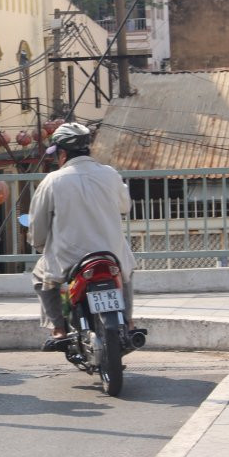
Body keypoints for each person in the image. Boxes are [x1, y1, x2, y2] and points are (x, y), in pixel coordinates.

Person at [27, 122, 136, 345]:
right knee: (125, 269)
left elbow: (38, 225)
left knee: (40, 276)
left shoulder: (52, 181)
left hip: (70, 259)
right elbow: (125, 207)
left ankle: (58, 328)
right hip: (110, 254)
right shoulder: (110, 174)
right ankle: (129, 321)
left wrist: (40, 245)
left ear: (63, 154)